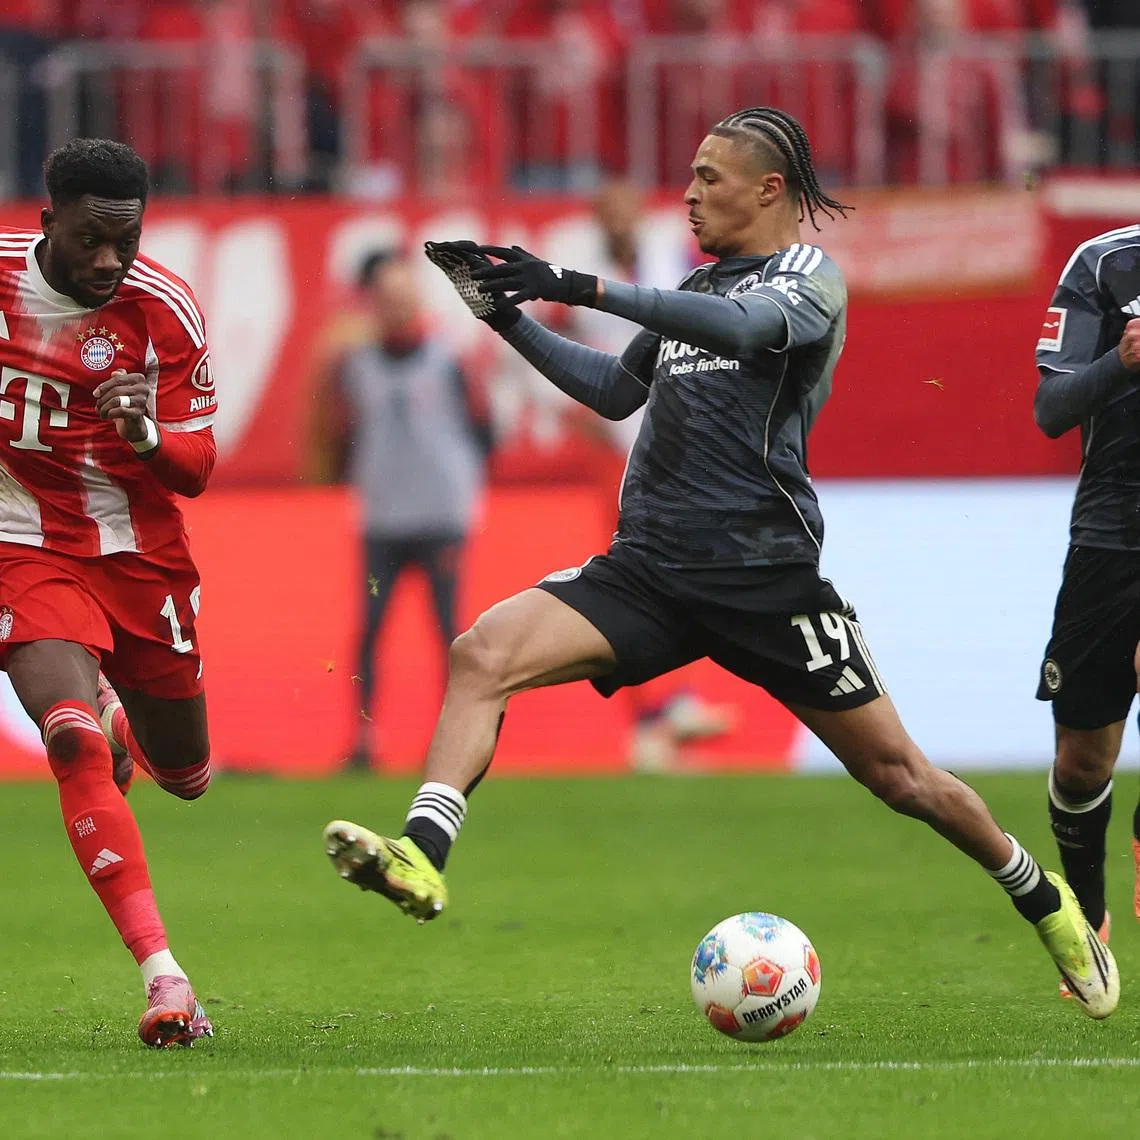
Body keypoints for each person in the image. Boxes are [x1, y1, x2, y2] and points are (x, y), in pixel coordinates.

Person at [323, 106, 1117, 1019]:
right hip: (649, 570)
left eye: (708, 176)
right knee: (483, 652)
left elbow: (743, 334)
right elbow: (617, 391)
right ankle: (423, 856)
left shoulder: (807, 278)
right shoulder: (700, 288)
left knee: (904, 779)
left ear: (768, 189)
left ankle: (1040, 895)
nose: (691, 193)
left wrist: (579, 283)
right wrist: (505, 316)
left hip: (765, 578)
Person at [0, 139, 218, 1047]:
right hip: (21, 544)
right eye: (90, 239)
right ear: (47, 222)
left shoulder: (162, 310)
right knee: (70, 743)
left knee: (185, 775)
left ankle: (129, 721)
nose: (107, 261)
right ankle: (167, 980)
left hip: (138, 556)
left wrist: (144, 436)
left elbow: (198, 467)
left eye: (123, 241)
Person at [571, 179, 738, 772]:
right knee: (632, 572)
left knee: (676, 565)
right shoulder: (584, 275)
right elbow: (567, 348)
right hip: (618, 449)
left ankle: (664, 712)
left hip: (672, 437)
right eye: (606, 208)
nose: (618, 218)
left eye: (624, 206)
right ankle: (650, 715)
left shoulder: (671, 255)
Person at [320, 249, 491, 770]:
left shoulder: (448, 359)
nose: (395, 309)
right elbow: (336, 436)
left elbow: (484, 431)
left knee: (448, 633)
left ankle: (453, 743)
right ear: (371, 304)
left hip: (440, 519)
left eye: (403, 299)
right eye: (385, 299)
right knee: (372, 627)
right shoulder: (354, 365)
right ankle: (365, 740)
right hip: (384, 522)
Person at [1032, 222, 1140, 1000]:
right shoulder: (1104, 264)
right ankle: (1090, 917)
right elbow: (1051, 409)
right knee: (1082, 762)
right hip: (1110, 535)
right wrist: (1122, 361)